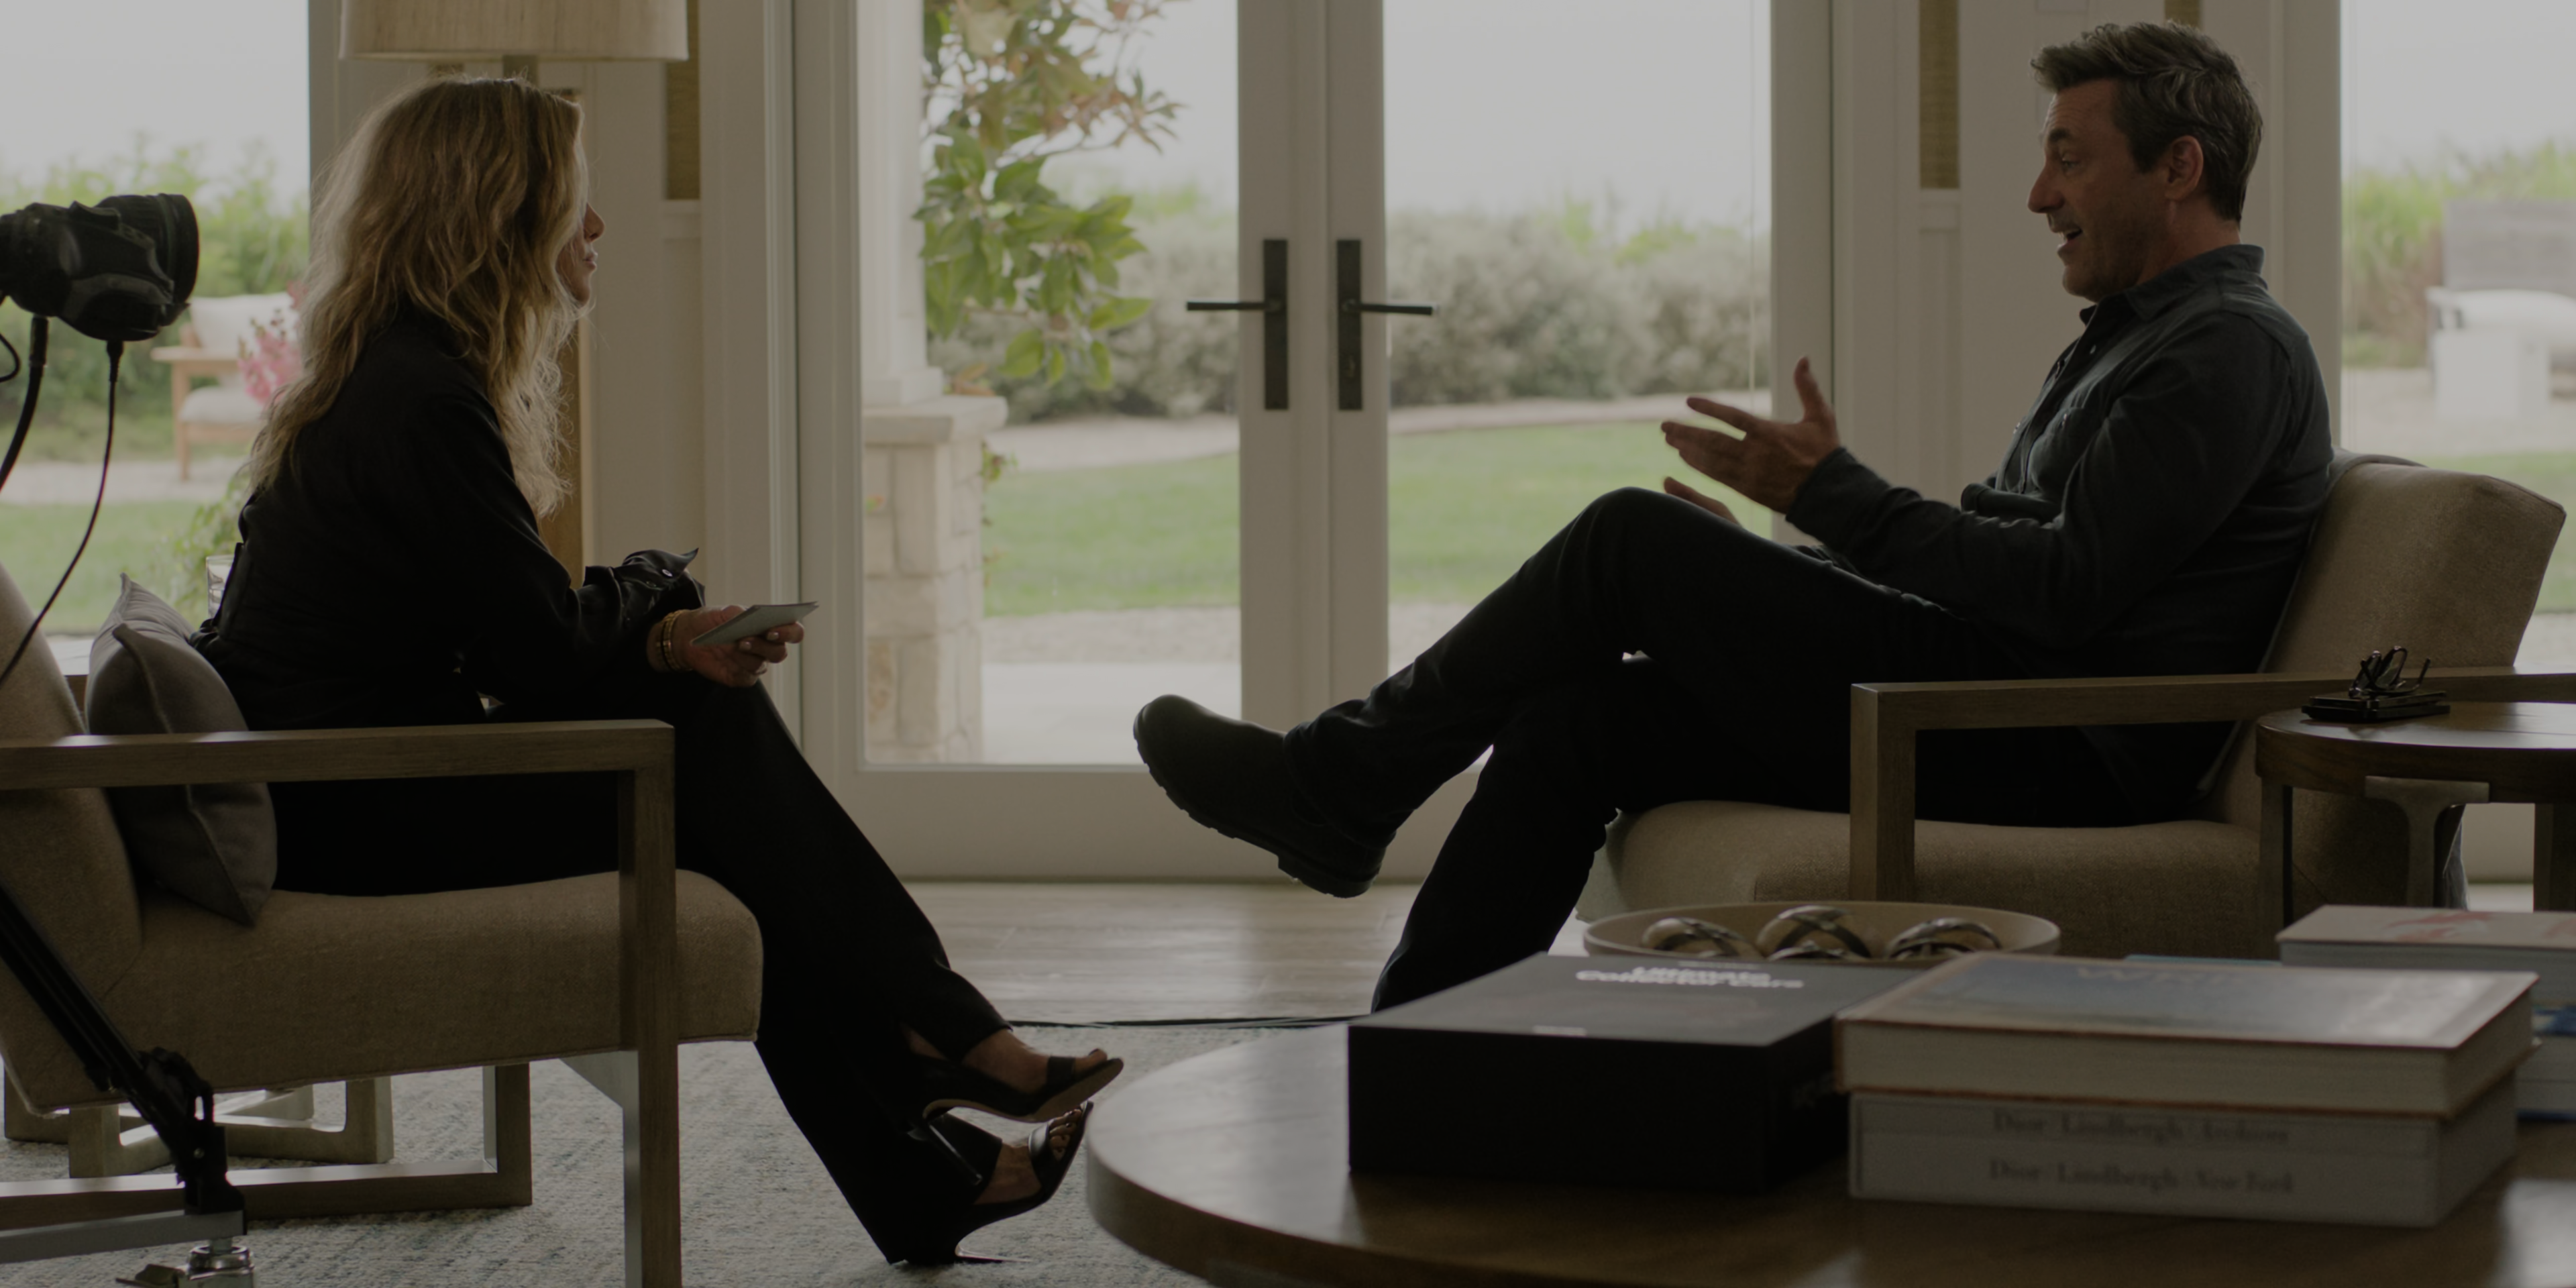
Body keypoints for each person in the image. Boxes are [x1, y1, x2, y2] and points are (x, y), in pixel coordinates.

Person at [1135, 19, 2333, 1010]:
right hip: (1989, 701)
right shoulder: (2144, 340)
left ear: (2179, 168)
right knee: (1582, 719)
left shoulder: (2226, 350)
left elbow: (2065, 594)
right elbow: (2025, 570)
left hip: (2050, 743)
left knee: (1628, 540)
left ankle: (1340, 783)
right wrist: (1798, 555)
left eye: (2069, 157)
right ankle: (1430, 1045)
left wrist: (1831, 496)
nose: (2039, 194)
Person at [190, 76, 1116, 1267]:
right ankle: (940, 1044)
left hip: (353, 786)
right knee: (708, 755)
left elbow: (512, 636)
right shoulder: (420, 399)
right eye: (571, 199)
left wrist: (665, 629)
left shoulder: (399, 374)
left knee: (719, 781)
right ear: (499, 215)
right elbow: (537, 653)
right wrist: (659, 607)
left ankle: (935, 1125)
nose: (597, 224)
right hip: (357, 806)